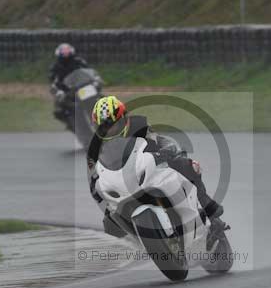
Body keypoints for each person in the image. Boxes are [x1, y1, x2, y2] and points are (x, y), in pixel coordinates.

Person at [86, 96, 225, 237]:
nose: (110, 130)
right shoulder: (95, 146)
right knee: (110, 223)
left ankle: (208, 209)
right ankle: (136, 237)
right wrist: (95, 186)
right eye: (104, 127)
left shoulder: (139, 126)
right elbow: (93, 172)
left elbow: (158, 140)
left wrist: (167, 151)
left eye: (113, 124)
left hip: (148, 165)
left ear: (124, 119)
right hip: (121, 183)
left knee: (187, 165)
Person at [48, 43, 89, 122]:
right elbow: (52, 79)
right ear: (59, 53)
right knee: (60, 107)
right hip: (66, 90)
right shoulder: (55, 66)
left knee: (95, 93)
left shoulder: (78, 61)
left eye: (67, 51)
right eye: (63, 52)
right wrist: (57, 89)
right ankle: (70, 118)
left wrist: (93, 78)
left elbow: (88, 70)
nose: (65, 54)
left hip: (80, 86)